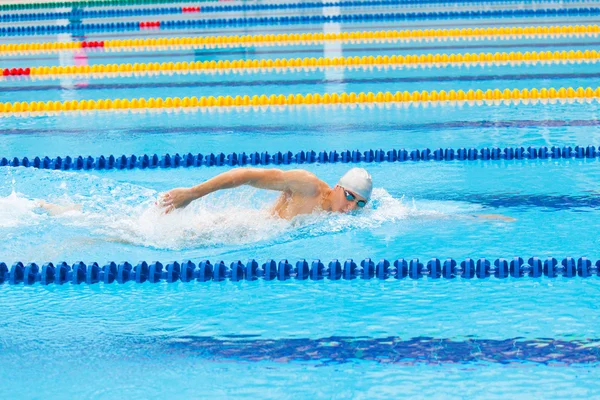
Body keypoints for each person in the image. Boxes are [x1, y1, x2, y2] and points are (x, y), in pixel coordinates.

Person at [158, 167, 372, 219]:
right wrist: (192, 193)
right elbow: (246, 175)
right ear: (337, 187)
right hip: (244, 230)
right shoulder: (307, 185)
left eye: (360, 203)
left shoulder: (346, 219)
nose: (351, 206)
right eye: (350, 196)